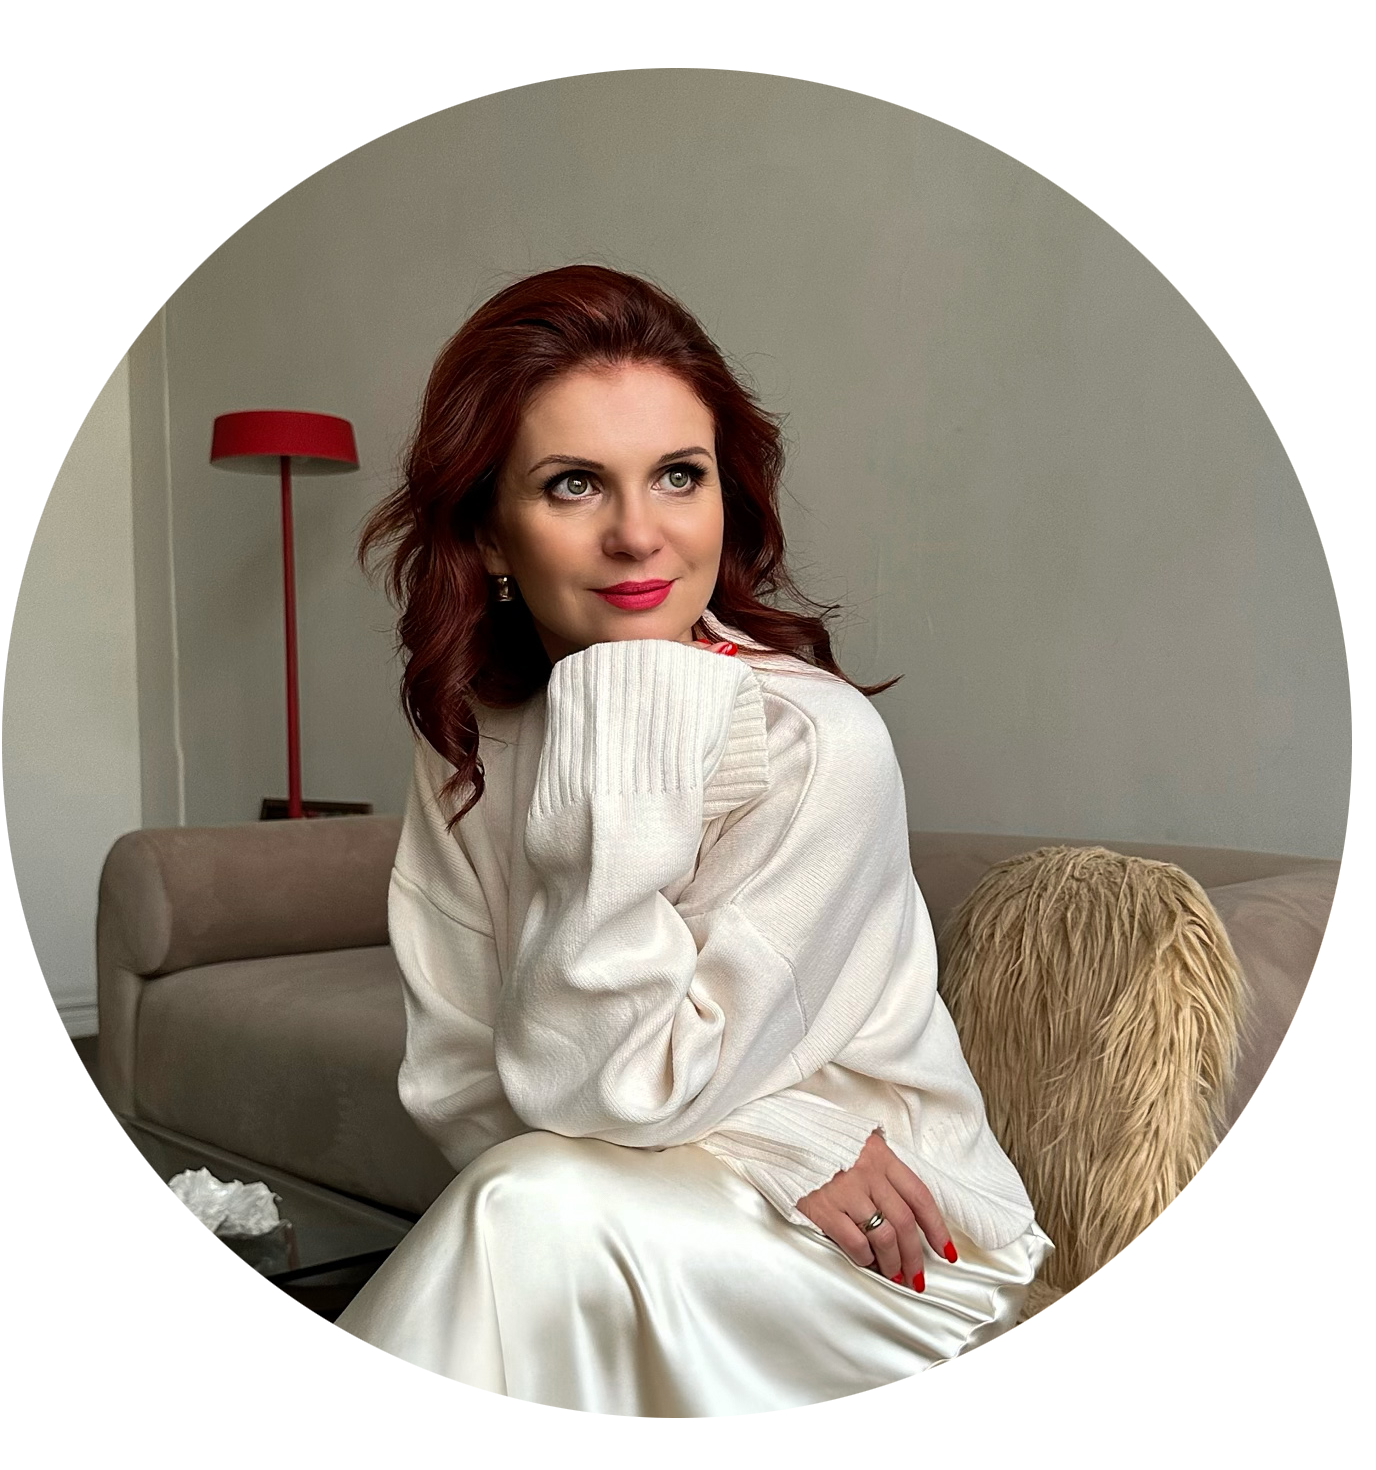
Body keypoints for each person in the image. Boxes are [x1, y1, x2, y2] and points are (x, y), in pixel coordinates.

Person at [261, 264, 1052, 1418]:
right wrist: (783, 1138)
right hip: (678, 1191)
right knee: (524, 1205)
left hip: (893, 1243)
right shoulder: (470, 739)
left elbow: (615, 1084)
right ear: (488, 531)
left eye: (679, 476)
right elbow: (460, 1082)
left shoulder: (813, 743)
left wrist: (625, 725)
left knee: (523, 1212)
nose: (638, 535)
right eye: (573, 483)